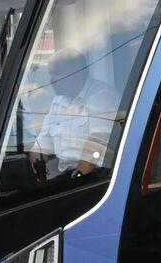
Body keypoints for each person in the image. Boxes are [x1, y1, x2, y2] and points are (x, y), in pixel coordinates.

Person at [31, 48, 123, 181]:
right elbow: (41, 146)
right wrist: (37, 173)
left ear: (77, 73)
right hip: (66, 175)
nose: (51, 80)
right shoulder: (58, 102)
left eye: (56, 73)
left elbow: (96, 148)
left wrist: (77, 180)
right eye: (50, 74)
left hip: (95, 177)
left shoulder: (102, 97)